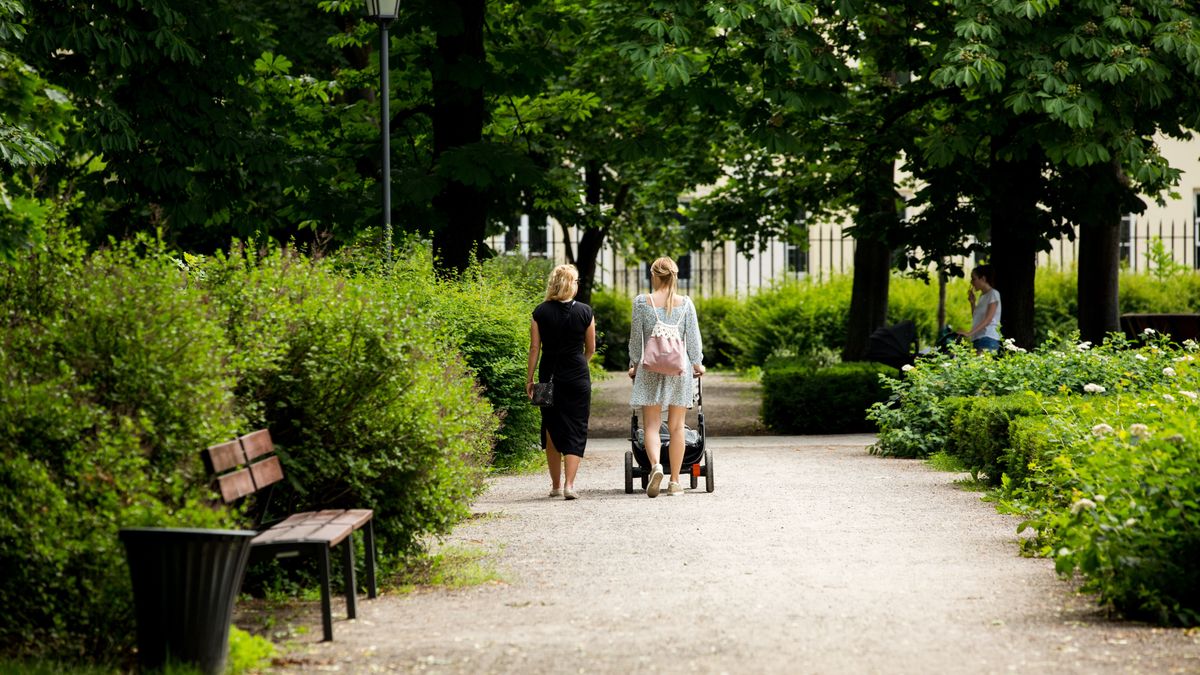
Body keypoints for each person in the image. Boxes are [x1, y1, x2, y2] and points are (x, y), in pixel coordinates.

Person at [627, 257, 705, 498]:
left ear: (654, 275)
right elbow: (693, 340)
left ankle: (655, 467)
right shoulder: (686, 304)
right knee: (676, 428)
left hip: (650, 369)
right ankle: (674, 482)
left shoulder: (642, 302)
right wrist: (697, 363)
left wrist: (634, 364)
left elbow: (635, 341)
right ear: (674, 276)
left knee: (651, 425)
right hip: (678, 370)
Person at [527, 264, 596, 500]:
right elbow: (591, 348)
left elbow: (534, 348)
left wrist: (530, 379)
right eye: (576, 281)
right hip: (578, 377)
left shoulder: (540, 311)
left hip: (548, 377)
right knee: (577, 427)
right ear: (571, 285)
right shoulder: (586, 312)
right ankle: (569, 485)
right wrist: (579, 363)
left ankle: (555, 485)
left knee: (550, 428)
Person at [959, 263, 1001, 353]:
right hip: (978, 339)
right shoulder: (982, 296)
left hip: (988, 338)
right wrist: (973, 303)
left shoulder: (993, 294)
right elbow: (977, 318)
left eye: (974, 279)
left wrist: (969, 333)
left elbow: (988, 320)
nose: (971, 282)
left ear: (983, 279)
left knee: (982, 367)